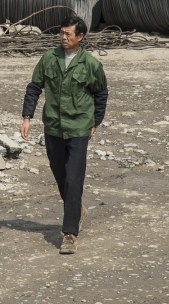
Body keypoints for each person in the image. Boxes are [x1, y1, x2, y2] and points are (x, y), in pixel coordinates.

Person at [20, 14, 108, 255]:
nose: (63, 37)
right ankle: (77, 209)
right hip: (53, 127)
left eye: (68, 34)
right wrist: (27, 117)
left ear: (80, 37)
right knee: (61, 176)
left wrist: (95, 122)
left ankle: (70, 233)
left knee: (73, 178)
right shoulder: (49, 59)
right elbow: (34, 87)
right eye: (61, 33)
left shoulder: (90, 64)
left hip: (79, 127)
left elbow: (100, 93)